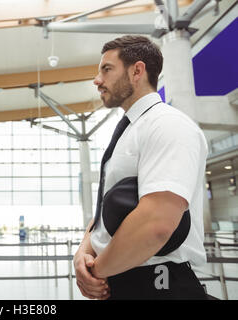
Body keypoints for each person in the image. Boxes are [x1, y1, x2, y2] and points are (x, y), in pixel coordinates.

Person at [73, 35, 208, 300]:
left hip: (157, 286)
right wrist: (83, 252)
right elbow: (106, 208)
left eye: (106, 69)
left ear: (137, 71)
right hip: (122, 279)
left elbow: (155, 223)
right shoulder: (132, 130)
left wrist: (97, 271)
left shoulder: (167, 125)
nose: (97, 80)